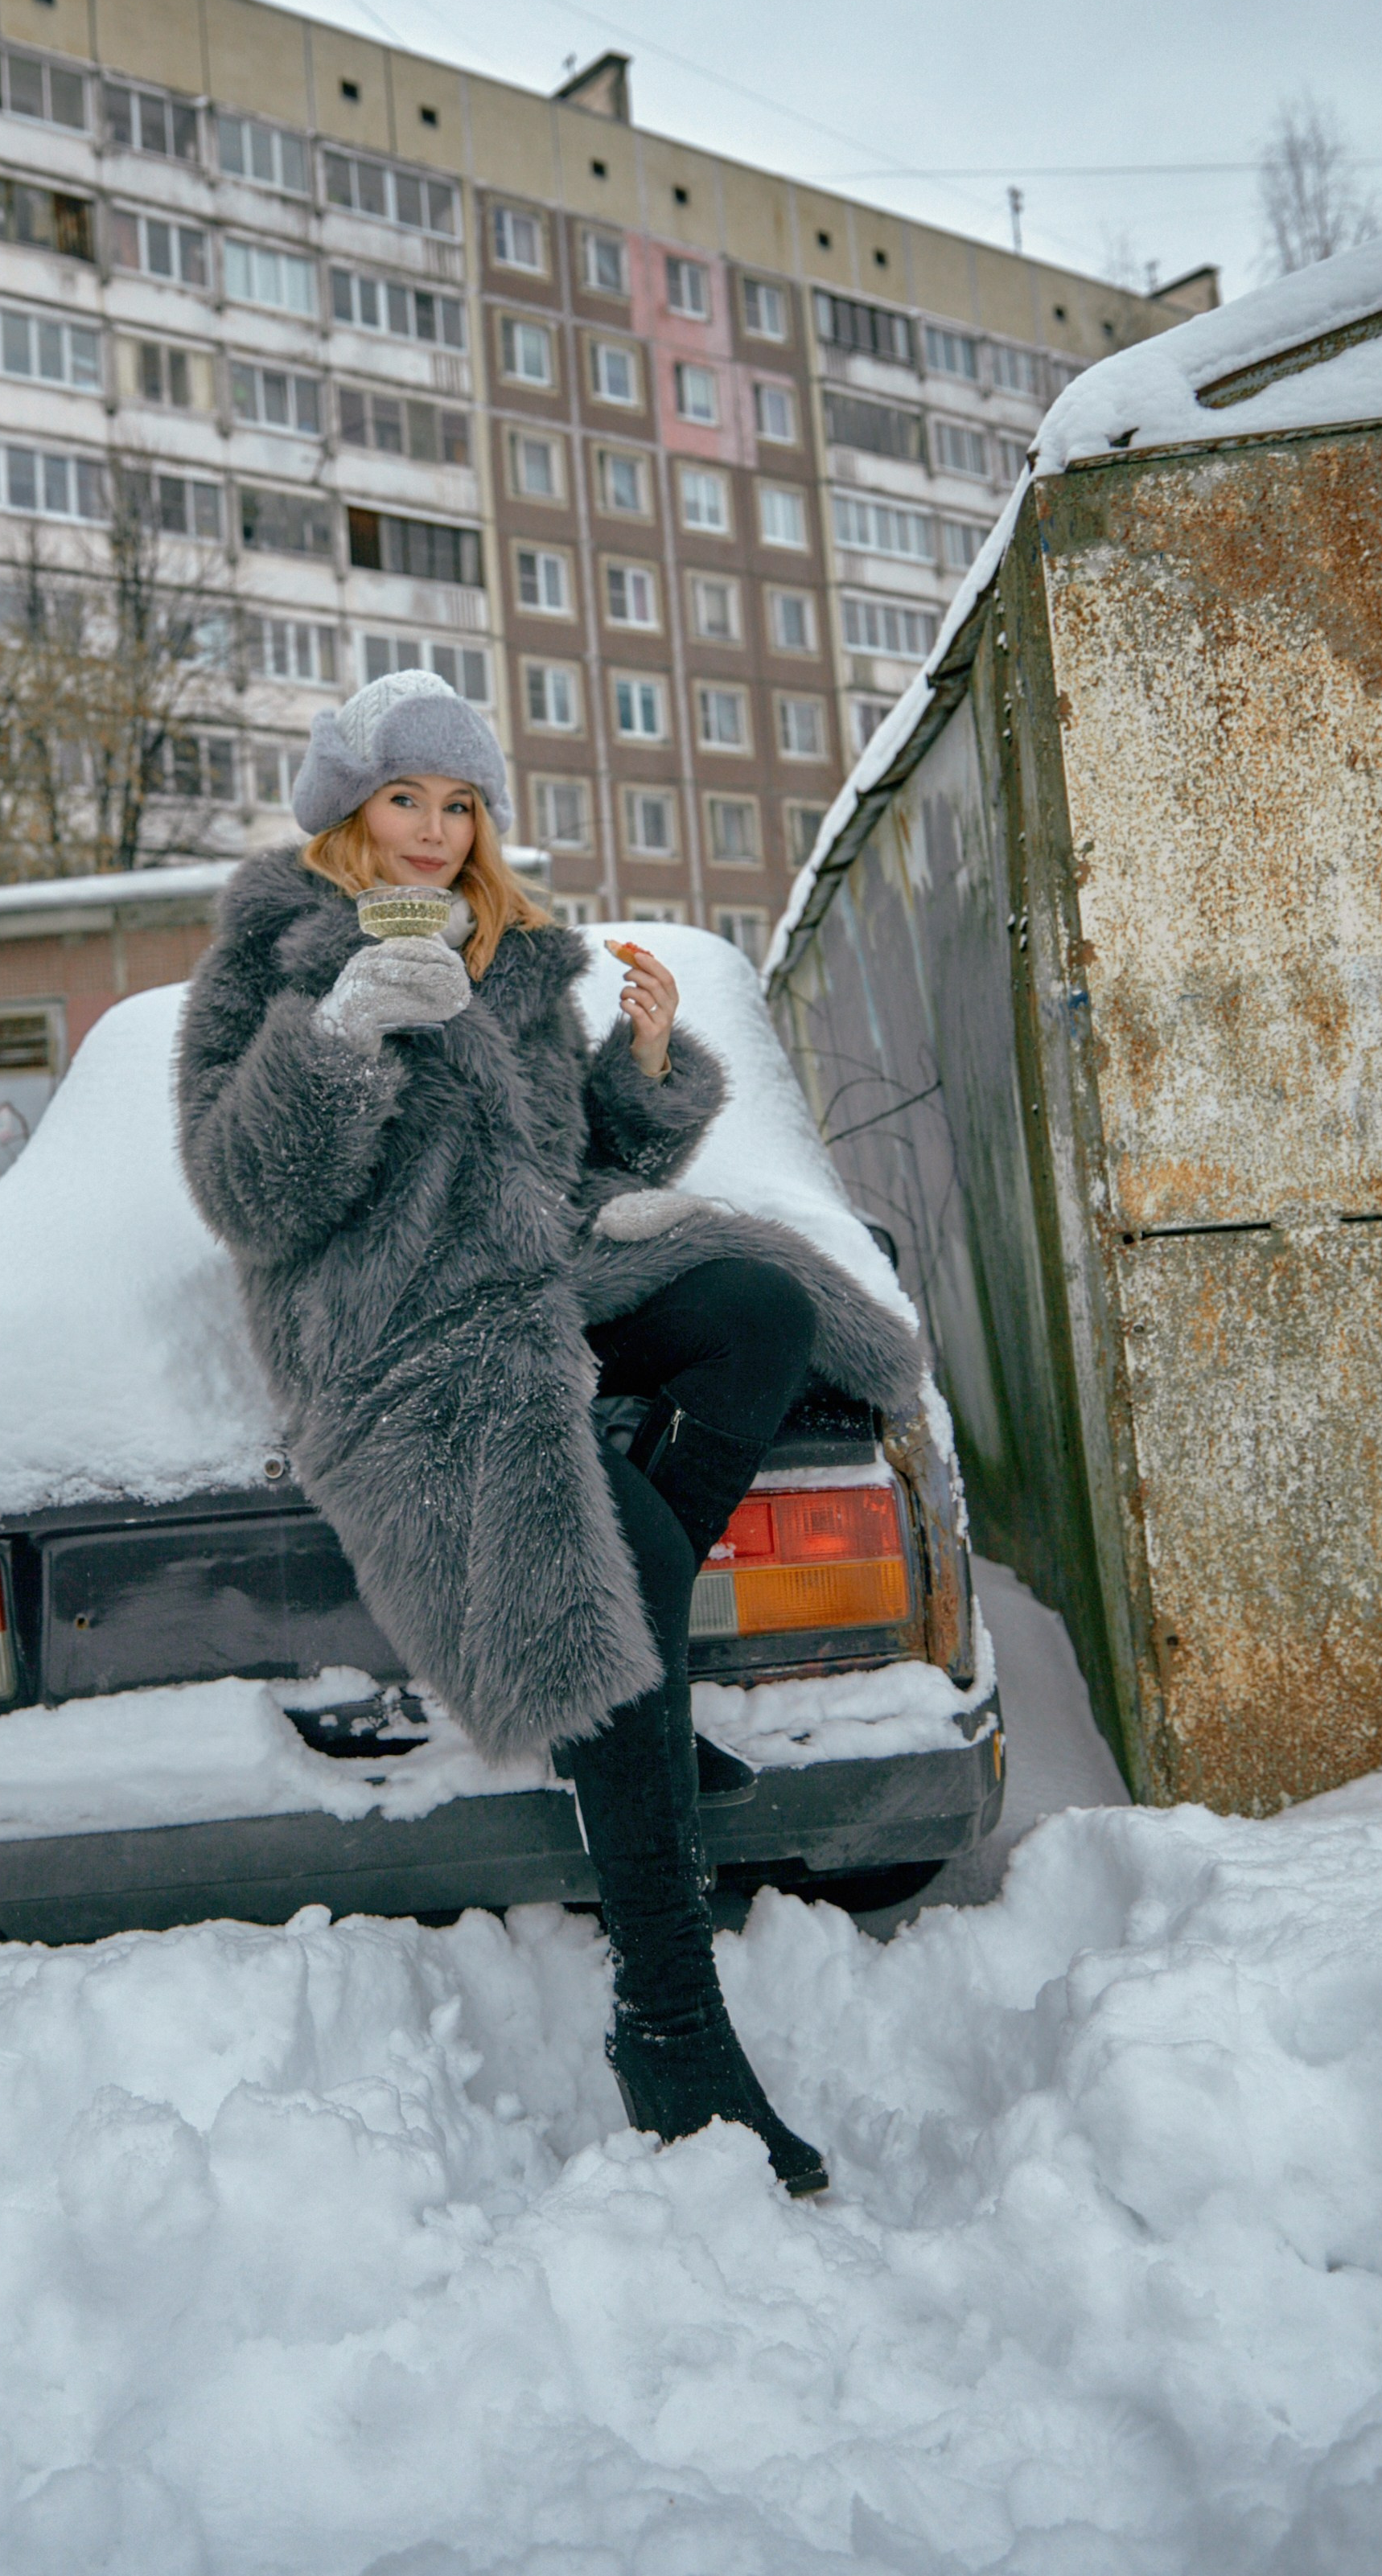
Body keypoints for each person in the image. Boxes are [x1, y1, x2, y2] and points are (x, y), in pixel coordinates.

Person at [179, 672, 925, 2197]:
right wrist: (338, 1035)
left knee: (760, 1307)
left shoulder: (513, 952)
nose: (434, 831)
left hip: (541, 1275)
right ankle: (669, 2022)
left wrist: (635, 1085)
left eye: (459, 804)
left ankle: (629, 1692)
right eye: (405, 798)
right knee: (612, 1545)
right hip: (398, 1338)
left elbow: (556, 1158)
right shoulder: (270, 951)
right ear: (347, 810)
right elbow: (245, 1197)